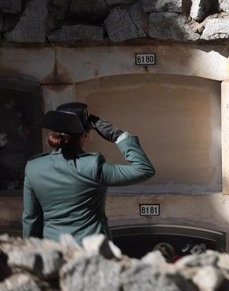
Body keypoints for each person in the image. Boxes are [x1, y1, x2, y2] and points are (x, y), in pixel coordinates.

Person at [23, 102, 155, 244]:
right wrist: (119, 136)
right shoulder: (93, 166)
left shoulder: (33, 167)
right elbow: (144, 169)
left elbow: (31, 218)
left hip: (54, 251)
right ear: (85, 135)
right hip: (92, 252)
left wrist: (31, 255)